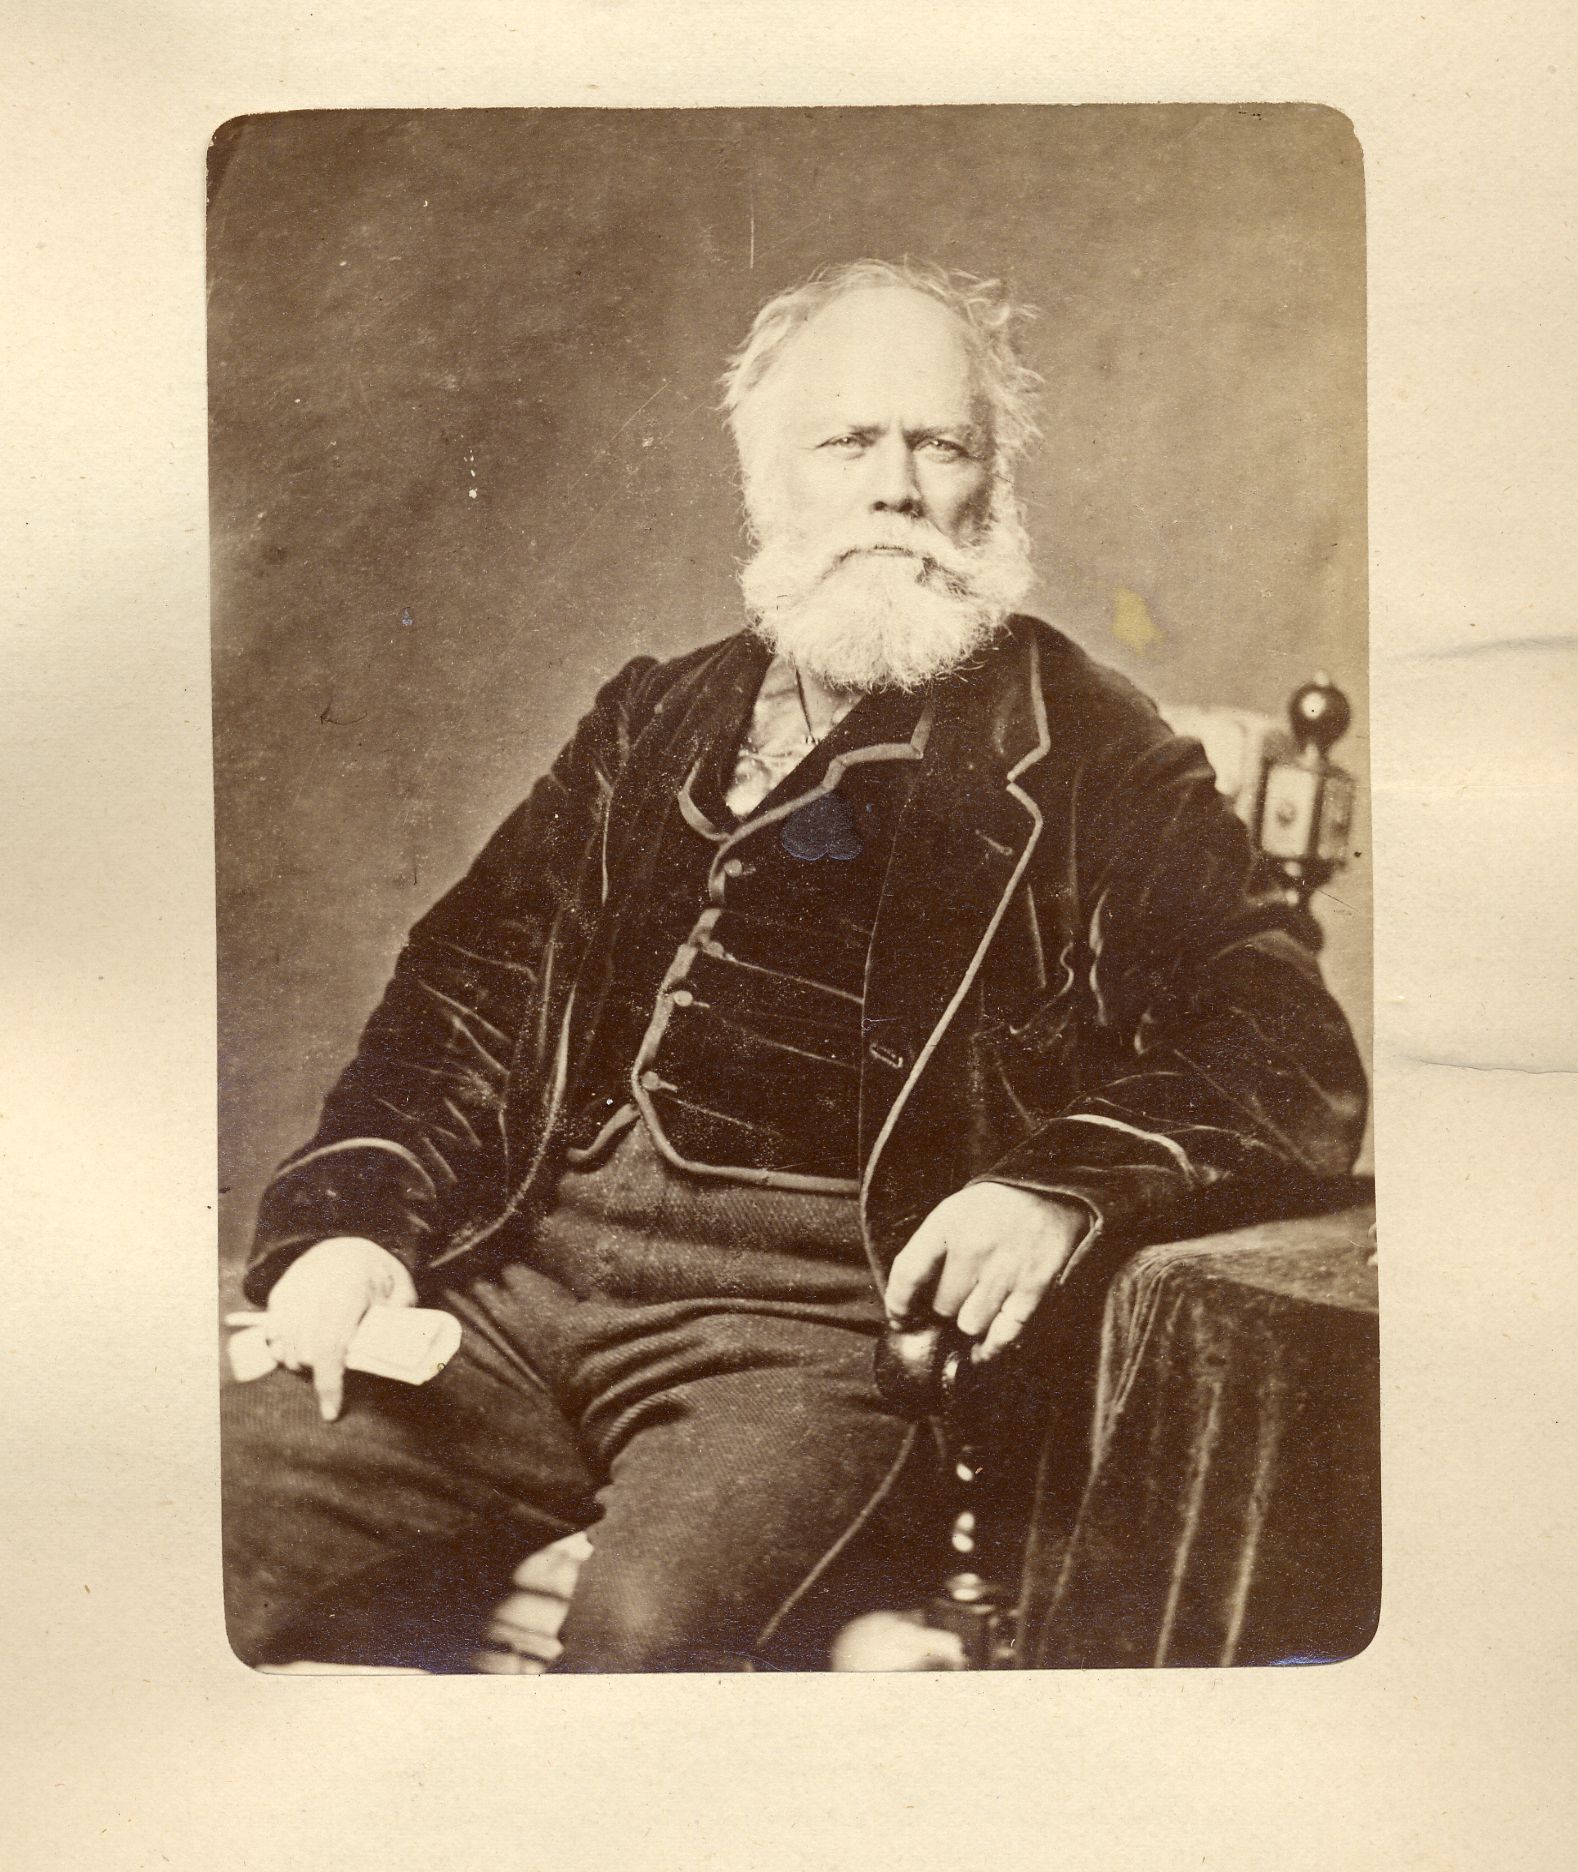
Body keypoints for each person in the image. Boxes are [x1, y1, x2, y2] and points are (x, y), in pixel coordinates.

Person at [223, 258, 1367, 1672]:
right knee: (209, 1509)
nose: (894, 485)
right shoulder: (653, 713)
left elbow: (1280, 1037)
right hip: (515, 1285)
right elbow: (465, 995)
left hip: (808, 1341)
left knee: (647, 1646)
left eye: (938, 444)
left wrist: (1054, 1188)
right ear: (769, 479)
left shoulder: (1087, 745)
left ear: (984, 488)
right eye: (847, 442)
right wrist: (351, 1229)